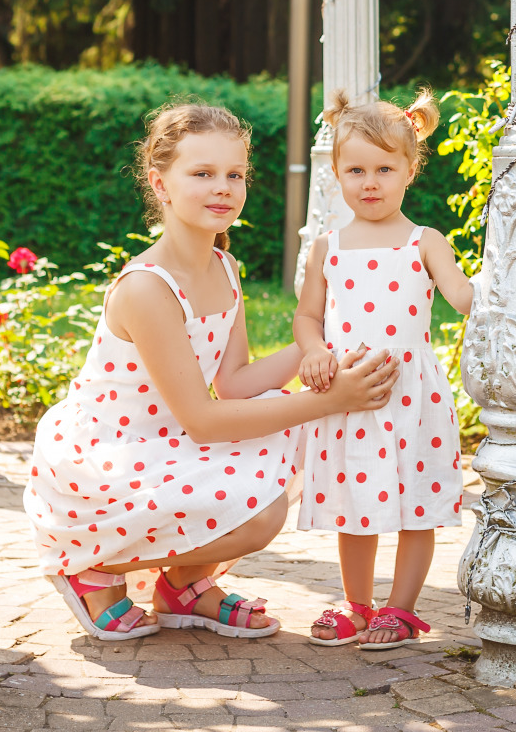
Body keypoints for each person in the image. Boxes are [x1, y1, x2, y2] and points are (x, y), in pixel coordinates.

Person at [24, 103, 401, 641]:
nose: (221, 187)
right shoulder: (148, 288)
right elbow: (204, 419)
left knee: (298, 439)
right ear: (161, 183)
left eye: (234, 174)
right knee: (261, 510)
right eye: (201, 174)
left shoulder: (224, 267)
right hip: (111, 455)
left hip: (170, 439)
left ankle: (182, 585)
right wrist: (331, 398)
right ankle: (91, 568)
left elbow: (236, 383)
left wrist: (325, 338)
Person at [294, 90, 474, 650]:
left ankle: (401, 608)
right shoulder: (330, 246)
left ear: (409, 170)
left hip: (409, 394)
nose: (369, 182)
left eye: (384, 169)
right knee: (355, 508)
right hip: (351, 393)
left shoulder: (426, 241)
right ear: (337, 174)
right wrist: (314, 351)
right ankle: (356, 606)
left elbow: (464, 298)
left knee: (415, 505)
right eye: (355, 170)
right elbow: (307, 315)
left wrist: (500, 270)